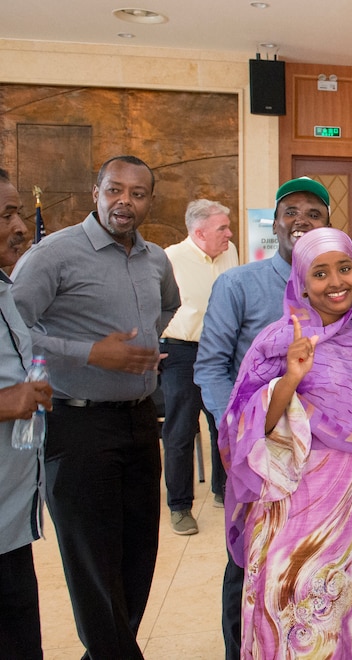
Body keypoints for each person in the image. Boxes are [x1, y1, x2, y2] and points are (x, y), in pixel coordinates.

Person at [220, 227, 352, 657]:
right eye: (320, 273)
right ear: (301, 281)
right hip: (295, 516)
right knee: (297, 625)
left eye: (345, 268)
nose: (336, 283)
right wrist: (290, 378)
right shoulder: (278, 341)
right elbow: (244, 429)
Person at [11, 155, 180, 659]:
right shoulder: (54, 254)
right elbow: (14, 334)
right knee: (93, 568)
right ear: (96, 192)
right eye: (114, 190)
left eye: (137, 193)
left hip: (137, 421)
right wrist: (91, 352)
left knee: (136, 561)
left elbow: (167, 304)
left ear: (150, 200)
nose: (124, 201)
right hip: (75, 423)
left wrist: (146, 340)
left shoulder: (155, 259)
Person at [194, 176, 331, 660]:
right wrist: (235, 433)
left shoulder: (335, 283)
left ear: (328, 225)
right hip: (256, 450)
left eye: (314, 214)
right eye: (291, 212)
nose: (301, 221)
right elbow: (211, 366)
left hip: (323, 461)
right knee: (247, 561)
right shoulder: (238, 283)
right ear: (275, 223)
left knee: (306, 562)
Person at [160, 199, 239, 535]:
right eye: (222, 227)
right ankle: (180, 507)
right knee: (180, 431)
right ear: (199, 232)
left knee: (224, 424)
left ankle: (224, 491)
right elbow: (154, 304)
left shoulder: (231, 252)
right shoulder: (170, 258)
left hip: (222, 352)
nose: (229, 233)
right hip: (181, 353)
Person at [0, 167, 53, 660]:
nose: (21, 226)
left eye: (19, 212)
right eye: (7, 214)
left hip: (12, 519)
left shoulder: (4, 287)